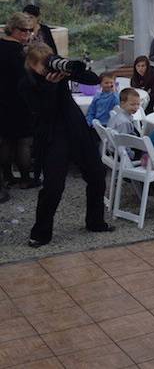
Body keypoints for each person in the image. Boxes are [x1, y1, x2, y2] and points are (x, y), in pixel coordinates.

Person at [20, 43, 114, 247]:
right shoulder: (26, 83)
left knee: (97, 176)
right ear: (32, 64)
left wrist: (73, 68)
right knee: (53, 186)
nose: (47, 67)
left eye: (49, 61)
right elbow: (42, 111)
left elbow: (92, 80)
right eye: (42, 65)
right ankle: (40, 233)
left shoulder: (59, 72)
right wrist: (50, 86)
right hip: (52, 135)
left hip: (76, 128)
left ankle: (95, 222)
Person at [0, 13, 35, 196]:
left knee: (5, 140)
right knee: (23, 141)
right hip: (18, 101)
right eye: (24, 30)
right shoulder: (18, 52)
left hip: (3, 101)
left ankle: (6, 176)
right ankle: (25, 178)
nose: (28, 34)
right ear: (13, 28)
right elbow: (26, 79)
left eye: (30, 30)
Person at [107, 88, 141, 160]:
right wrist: (132, 155)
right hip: (121, 153)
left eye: (138, 104)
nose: (136, 107)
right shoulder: (124, 122)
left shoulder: (119, 115)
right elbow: (123, 142)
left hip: (117, 149)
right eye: (132, 104)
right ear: (122, 104)